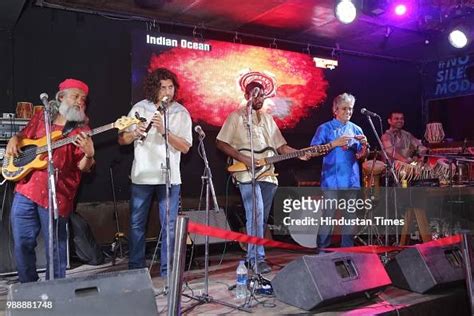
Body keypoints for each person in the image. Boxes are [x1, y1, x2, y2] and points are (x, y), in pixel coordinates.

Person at [216, 75, 309, 274]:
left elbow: (281, 146)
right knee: (255, 214)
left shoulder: (268, 119)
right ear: (246, 95)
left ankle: (252, 256)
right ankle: (257, 258)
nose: (259, 99)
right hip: (245, 174)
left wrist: (299, 154)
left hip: (268, 174)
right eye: (255, 95)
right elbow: (221, 142)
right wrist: (242, 157)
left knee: (260, 217)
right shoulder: (236, 116)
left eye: (262, 96)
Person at [6, 78, 95, 283]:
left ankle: (55, 290)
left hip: (58, 194)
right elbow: (23, 137)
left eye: (83, 99)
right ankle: (28, 286)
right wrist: (14, 139)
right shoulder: (41, 117)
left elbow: (83, 167)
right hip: (27, 188)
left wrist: (89, 155)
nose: (80, 101)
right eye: (75, 96)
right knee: (22, 242)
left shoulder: (81, 131)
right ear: (61, 97)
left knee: (56, 248)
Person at [118, 68, 192, 276]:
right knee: (136, 224)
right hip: (142, 176)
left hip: (170, 178)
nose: (168, 91)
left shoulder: (181, 112)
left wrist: (164, 131)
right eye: (163, 87)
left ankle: (168, 271)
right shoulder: (139, 108)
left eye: (171, 87)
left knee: (169, 226)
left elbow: (186, 147)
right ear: (154, 89)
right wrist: (133, 134)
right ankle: (136, 270)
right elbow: (121, 139)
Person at [310, 93, 368, 249]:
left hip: (351, 179)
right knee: (328, 216)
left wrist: (364, 146)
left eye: (350, 109)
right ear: (335, 110)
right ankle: (322, 249)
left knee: (349, 217)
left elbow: (361, 156)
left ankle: (347, 249)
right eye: (344, 109)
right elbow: (312, 151)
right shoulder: (325, 128)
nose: (348, 112)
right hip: (331, 180)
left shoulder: (356, 129)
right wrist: (334, 144)